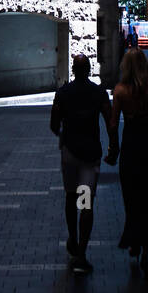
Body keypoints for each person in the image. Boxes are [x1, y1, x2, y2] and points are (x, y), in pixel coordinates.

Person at [105, 49, 148, 280]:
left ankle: (134, 239)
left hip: (131, 149)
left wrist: (113, 149)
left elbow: (113, 124)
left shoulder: (120, 92)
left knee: (132, 199)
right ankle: (145, 251)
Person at [50, 54, 116, 276]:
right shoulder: (98, 92)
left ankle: (72, 236)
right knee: (86, 202)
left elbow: (53, 123)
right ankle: (81, 252)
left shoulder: (63, 92)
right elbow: (110, 121)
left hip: (70, 153)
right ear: (89, 69)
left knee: (70, 196)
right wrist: (114, 147)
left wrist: (62, 132)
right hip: (90, 154)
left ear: (73, 69)